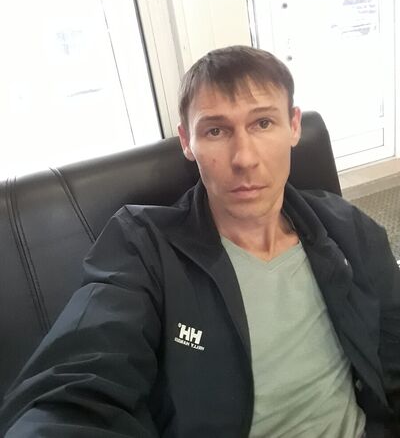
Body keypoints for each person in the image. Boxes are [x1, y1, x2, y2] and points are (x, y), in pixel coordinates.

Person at [0, 45, 399, 437]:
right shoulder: (144, 247)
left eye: (263, 123)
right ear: (186, 141)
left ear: (293, 126)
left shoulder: (347, 228)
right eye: (215, 130)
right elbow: (77, 382)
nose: (244, 158)